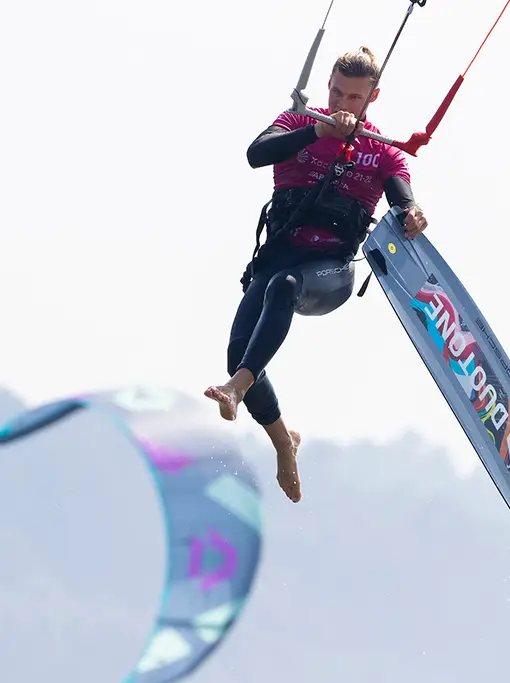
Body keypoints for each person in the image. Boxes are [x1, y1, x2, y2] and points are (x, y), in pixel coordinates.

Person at [204, 46, 430, 503]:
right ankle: (284, 441)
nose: (343, 105)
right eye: (336, 93)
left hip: (330, 272)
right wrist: (315, 129)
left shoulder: (381, 152)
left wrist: (413, 213)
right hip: (278, 260)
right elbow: (255, 153)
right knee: (238, 354)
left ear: (373, 99)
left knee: (283, 296)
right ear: (326, 86)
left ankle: (236, 389)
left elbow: (403, 197)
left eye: (354, 99)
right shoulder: (297, 123)